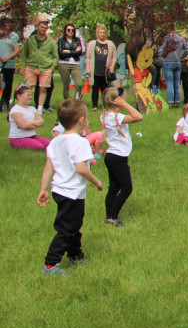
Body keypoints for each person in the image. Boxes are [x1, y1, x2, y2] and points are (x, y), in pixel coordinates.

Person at [37, 98, 103, 275]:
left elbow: (48, 168)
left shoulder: (55, 141)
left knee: (73, 225)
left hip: (59, 191)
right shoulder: (80, 142)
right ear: (82, 120)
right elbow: (81, 168)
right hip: (72, 194)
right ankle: (51, 264)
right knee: (66, 229)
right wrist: (96, 181)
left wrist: (43, 190)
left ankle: (75, 256)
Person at [99, 88, 143, 227]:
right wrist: (125, 105)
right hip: (118, 157)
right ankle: (113, 216)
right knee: (126, 188)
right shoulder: (117, 117)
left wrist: (120, 104)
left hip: (111, 156)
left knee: (113, 187)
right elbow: (138, 117)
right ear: (117, 100)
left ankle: (108, 216)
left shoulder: (105, 115)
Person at [21, 15, 57, 112]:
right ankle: (24, 107)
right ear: (37, 27)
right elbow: (24, 54)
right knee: (27, 87)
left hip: (45, 68)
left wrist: (51, 68)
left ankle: (40, 109)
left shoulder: (51, 42)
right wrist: (23, 66)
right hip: (31, 66)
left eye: (45, 28)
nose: (43, 29)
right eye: (42, 27)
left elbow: (55, 57)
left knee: (43, 88)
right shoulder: (30, 40)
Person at [9, 85, 49, 150]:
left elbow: (41, 122)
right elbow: (23, 125)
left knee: (50, 145)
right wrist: (34, 124)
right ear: (19, 96)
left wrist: (28, 123)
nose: (30, 97)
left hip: (32, 135)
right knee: (39, 147)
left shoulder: (32, 108)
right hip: (18, 138)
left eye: (31, 95)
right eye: (28, 95)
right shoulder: (15, 110)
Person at [156, 26, 186, 108]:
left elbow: (160, 50)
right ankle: (177, 102)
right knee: (177, 83)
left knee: (169, 83)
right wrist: (180, 55)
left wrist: (162, 56)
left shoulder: (167, 38)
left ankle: (170, 103)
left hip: (168, 62)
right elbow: (186, 48)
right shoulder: (180, 38)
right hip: (177, 62)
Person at [56, 24, 85, 103]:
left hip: (75, 64)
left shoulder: (77, 40)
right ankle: (67, 102)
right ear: (65, 31)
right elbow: (61, 54)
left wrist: (68, 51)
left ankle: (76, 101)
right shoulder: (61, 40)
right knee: (66, 84)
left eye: (72, 30)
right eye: (68, 30)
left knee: (78, 84)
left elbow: (80, 52)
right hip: (64, 63)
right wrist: (74, 51)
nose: (71, 31)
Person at [0, 17, 21, 111]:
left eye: (8, 24)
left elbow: (16, 50)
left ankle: (4, 104)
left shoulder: (14, 36)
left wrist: (7, 58)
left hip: (9, 65)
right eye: (5, 24)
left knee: (7, 85)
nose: (7, 26)